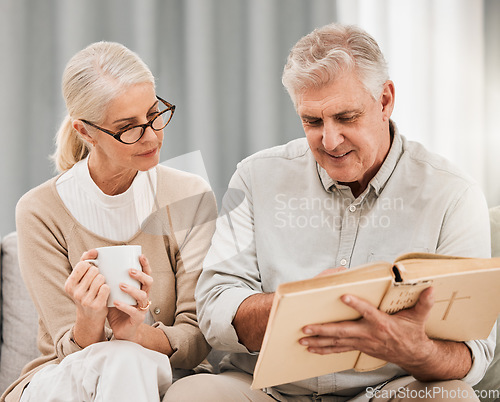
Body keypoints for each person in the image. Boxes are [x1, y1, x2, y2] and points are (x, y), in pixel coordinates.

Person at [164, 23, 495, 401]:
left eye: (346, 117)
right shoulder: (256, 177)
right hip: (268, 391)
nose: (330, 141)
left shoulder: (452, 193)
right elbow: (214, 309)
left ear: (385, 100)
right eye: (313, 121)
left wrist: (414, 349)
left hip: (387, 391)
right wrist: (297, 306)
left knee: (453, 397)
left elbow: (475, 353)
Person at [1, 41, 217, 402]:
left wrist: (136, 334)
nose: (151, 135)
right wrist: (88, 320)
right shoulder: (39, 210)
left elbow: (197, 339)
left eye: (153, 113)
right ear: (85, 132)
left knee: (127, 358)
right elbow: (63, 349)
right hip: (65, 379)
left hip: (160, 370)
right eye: (127, 127)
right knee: (121, 359)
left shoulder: (189, 195)